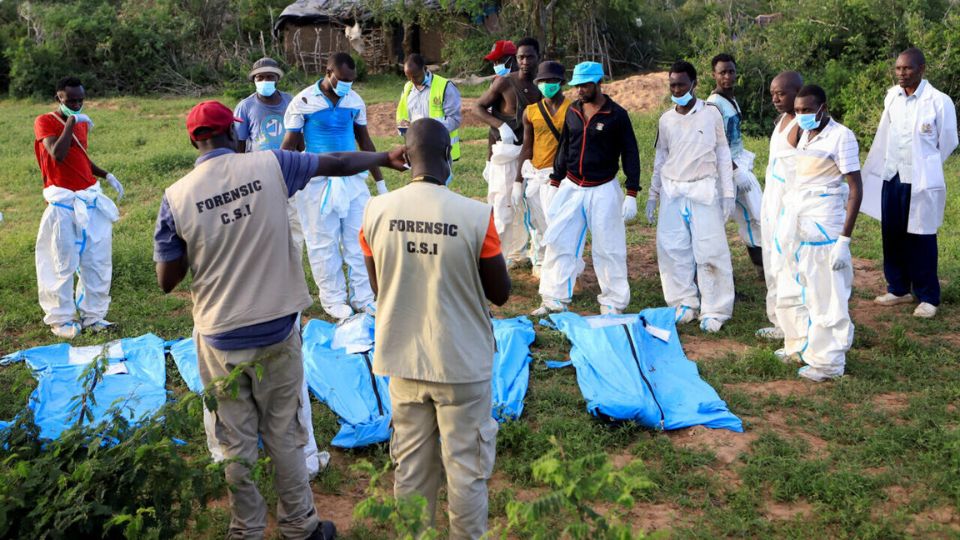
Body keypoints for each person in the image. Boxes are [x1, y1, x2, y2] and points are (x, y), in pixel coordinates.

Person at [154, 100, 406, 539]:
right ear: (234, 135)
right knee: (285, 432)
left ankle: (246, 529)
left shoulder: (175, 198)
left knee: (234, 440)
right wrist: (383, 157)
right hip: (276, 326)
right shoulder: (272, 165)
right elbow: (339, 161)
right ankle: (299, 526)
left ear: (193, 140)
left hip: (220, 336)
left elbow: (166, 280)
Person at [358, 118, 511, 539]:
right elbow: (499, 293)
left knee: (410, 469)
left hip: (403, 360)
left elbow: (379, 286)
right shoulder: (477, 215)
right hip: (461, 364)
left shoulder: (374, 212)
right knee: (466, 471)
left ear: (405, 157)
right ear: (448, 156)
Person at [281, 53, 386, 320]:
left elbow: (366, 143)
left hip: (352, 179)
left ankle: (363, 296)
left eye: (351, 80)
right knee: (322, 241)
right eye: (342, 79)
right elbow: (289, 147)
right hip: (316, 181)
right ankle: (333, 299)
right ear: (328, 72)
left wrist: (381, 183)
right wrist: (280, 183)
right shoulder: (303, 101)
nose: (347, 85)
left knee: (358, 238)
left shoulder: (355, 101)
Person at [533, 61, 640, 316]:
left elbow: (630, 153)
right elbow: (565, 147)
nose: (580, 90)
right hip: (571, 185)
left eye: (585, 85)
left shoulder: (617, 115)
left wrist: (632, 192)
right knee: (560, 241)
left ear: (598, 83)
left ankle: (613, 302)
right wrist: (555, 181)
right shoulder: (573, 111)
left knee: (609, 247)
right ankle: (554, 299)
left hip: (603, 188)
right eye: (577, 86)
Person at [772, 85, 863, 381]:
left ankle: (828, 363)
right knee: (798, 286)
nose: (802, 116)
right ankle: (799, 345)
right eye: (798, 111)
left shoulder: (841, 136)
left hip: (825, 226)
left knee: (827, 295)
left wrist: (844, 241)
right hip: (799, 222)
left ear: (823, 108)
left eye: (808, 111)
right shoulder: (804, 134)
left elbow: (855, 189)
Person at [862, 47, 958, 319]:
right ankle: (898, 288)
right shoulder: (892, 96)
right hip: (892, 175)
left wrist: (926, 165)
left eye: (907, 69)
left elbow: (947, 140)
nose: (901, 74)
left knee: (921, 236)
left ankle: (928, 296)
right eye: (898, 69)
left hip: (920, 180)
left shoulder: (939, 101)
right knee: (891, 234)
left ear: (922, 69)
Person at [646, 60, 735, 333]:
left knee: (710, 250)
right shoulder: (666, 119)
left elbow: (722, 153)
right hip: (673, 190)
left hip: (703, 189)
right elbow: (661, 156)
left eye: (681, 84)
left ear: (694, 84)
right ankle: (683, 302)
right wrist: (653, 194)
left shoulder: (711, 114)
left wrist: (728, 193)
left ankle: (715, 309)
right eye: (672, 84)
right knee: (672, 249)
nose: (676, 89)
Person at [34, 76, 124, 339]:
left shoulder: (80, 124)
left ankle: (93, 316)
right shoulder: (45, 121)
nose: (75, 104)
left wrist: (106, 174)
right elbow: (57, 154)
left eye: (79, 100)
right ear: (58, 98)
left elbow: (79, 157)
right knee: (61, 263)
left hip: (89, 198)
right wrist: (71, 122)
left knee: (96, 260)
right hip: (63, 205)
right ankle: (61, 320)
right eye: (70, 100)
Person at [473, 37, 542, 268]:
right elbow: (478, 107)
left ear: (537, 58)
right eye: (521, 57)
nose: (524, 62)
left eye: (528, 57)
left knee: (531, 208)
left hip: (532, 156)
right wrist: (500, 126)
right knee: (502, 208)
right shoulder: (504, 83)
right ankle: (494, 262)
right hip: (505, 156)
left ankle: (520, 253)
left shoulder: (542, 87)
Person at [233, 57, 304, 249]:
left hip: (290, 168)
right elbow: (239, 144)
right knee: (264, 221)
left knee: (294, 221)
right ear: (254, 80)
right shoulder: (245, 106)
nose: (265, 81)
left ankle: (294, 265)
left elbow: (300, 138)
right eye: (260, 78)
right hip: (259, 171)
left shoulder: (291, 101)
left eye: (269, 77)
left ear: (277, 79)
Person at [756, 71, 804, 341]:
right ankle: (777, 319)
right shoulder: (782, 120)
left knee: (788, 262)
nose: (775, 98)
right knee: (772, 260)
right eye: (772, 93)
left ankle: (794, 324)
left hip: (788, 203)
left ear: (798, 91)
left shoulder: (801, 125)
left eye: (781, 93)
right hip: (771, 200)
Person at [706, 54, 764, 273]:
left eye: (731, 71)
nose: (727, 76)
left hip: (738, 162)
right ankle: (713, 270)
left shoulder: (730, 98)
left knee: (753, 214)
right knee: (719, 219)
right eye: (722, 72)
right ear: (714, 75)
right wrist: (735, 170)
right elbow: (714, 143)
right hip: (726, 168)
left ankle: (762, 266)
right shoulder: (714, 104)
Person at [512, 60, 570, 277]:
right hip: (537, 175)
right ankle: (540, 263)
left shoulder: (572, 109)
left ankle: (565, 267)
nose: (548, 84)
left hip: (562, 177)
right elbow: (526, 147)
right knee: (538, 223)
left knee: (563, 225)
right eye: (543, 81)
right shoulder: (531, 111)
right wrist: (518, 181)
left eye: (553, 80)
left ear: (561, 82)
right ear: (537, 83)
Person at [395, 53, 462, 166]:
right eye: (408, 77)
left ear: (425, 69)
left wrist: (427, 128)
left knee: (438, 183)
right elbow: (402, 116)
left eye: (415, 76)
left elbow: (454, 120)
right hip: (417, 150)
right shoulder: (408, 88)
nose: (413, 80)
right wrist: (403, 126)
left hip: (440, 150)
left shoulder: (445, 86)